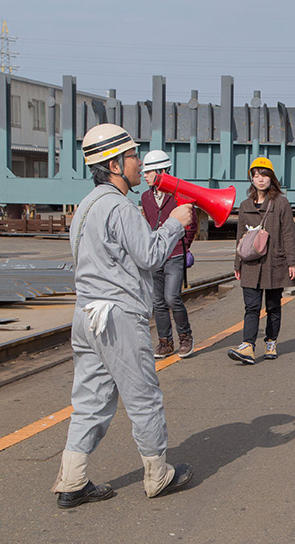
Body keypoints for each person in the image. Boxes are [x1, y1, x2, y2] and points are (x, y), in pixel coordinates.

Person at [51, 124, 194, 508]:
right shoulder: (120, 206)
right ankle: (157, 474)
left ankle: (72, 480)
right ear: (114, 164)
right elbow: (149, 255)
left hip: (86, 315)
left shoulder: (85, 208)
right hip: (117, 316)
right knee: (144, 397)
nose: (138, 163)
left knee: (91, 399)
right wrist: (176, 222)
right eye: (133, 157)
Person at [228, 157, 295, 364]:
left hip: (274, 263)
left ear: (271, 178)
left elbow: (288, 234)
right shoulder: (245, 205)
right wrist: (237, 264)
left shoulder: (281, 203)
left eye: (264, 175)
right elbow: (240, 237)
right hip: (250, 264)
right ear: (251, 178)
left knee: (273, 305)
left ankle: (271, 341)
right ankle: (248, 346)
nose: (260, 179)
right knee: (251, 307)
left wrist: (291, 262)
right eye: (256, 175)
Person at [140, 150, 198, 359]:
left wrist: (183, 246)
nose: (144, 175)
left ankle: (185, 337)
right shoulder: (145, 197)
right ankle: (165, 342)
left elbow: (191, 223)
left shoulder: (179, 194)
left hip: (175, 253)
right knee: (158, 302)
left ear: (162, 171)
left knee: (172, 297)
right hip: (156, 255)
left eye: (148, 172)